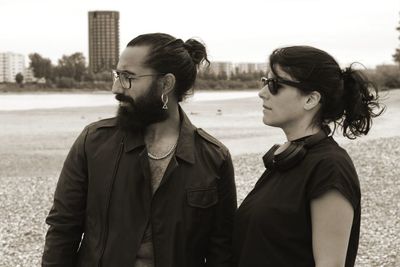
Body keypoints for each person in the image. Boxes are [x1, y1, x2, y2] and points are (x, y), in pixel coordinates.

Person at [42, 33, 237, 267]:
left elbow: (222, 252)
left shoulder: (214, 158)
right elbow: (63, 230)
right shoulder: (93, 142)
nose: (116, 87)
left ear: (166, 84)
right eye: (117, 75)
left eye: (128, 77)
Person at [233, 46, 384, 267]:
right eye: (265, 81)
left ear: (311, 99)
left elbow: (330, 264)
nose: (262, 92)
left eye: (275, 84)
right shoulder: (286, 161)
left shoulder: (330, 167)